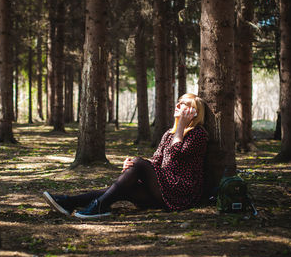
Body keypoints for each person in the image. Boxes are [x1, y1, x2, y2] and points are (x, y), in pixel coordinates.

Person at [43, 93, 209, 219]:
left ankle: (98, 206)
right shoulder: (168, 134)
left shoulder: (198, 134)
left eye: (185, 105)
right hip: (163, 188)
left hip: (181, 192)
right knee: (120, 189)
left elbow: (175, 153)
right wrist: (132, 168)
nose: (178, 105)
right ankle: (69, 202)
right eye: (178, 102)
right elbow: (156, 161)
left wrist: (180, 126)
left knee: (137, 164)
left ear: (194, 113)